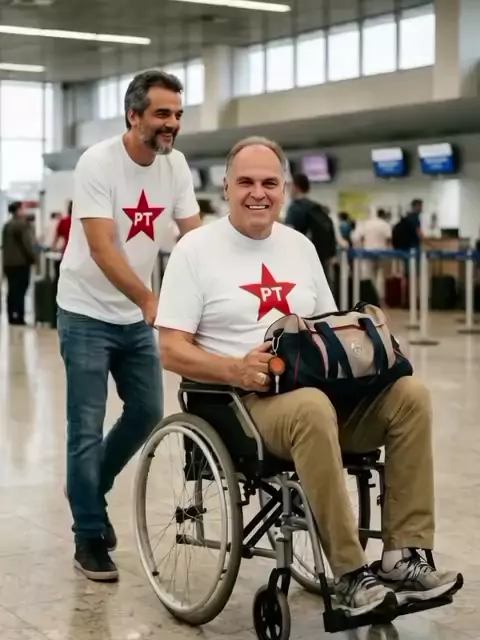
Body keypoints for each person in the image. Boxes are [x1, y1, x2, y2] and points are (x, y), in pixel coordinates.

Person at [155, 136, 462, 616]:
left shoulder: (299, 246)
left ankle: (404, 554)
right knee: (312, 408)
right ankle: (349, 573)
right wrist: (236, 368)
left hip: (316, 392)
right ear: (226, 186)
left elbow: (328, 327)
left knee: (411, 395)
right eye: (246, 182)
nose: (258, 193)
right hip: (242, 405)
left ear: (284, 189)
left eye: (269, 183)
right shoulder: (195, 250)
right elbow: (170, 349)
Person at [56, 69, 201, 582]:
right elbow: (101, 247)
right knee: (86, 426)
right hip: (85, 311)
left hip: (134, 314)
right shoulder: (98, 162)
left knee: (145, 413)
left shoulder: (175, 165)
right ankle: (89, 535)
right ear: (133, 115)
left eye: (177, 114)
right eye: (162, 113)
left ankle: (88, 489)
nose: (172, 123)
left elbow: (193, 238)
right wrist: (149, 299)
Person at [1, 200, 36, 325]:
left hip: (8, 263)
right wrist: (33, 258)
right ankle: (19, 317)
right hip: (21, 262)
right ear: (19, 210)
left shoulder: (7, 225)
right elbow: (27, 244)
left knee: (12, 289)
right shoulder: (22, 224)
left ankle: (11, 316)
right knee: (21, 289)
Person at [353, 209, 392, 306]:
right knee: (381, 277)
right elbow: (389, 239)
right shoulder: (385, 224)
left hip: (368, 252)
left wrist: (362, 247)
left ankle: (371, 299)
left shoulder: (367, 223)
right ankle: (381, 299)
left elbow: (359, 238)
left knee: (370, 276)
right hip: (382, 252)